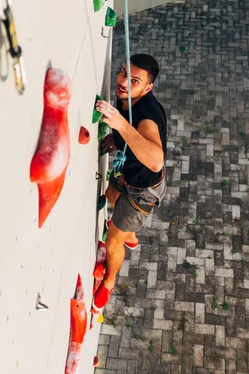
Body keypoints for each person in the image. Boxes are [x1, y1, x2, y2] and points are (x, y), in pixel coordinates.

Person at [92, 54, 167, 311]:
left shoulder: (147, 114)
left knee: (113, 242)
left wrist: (120, 126)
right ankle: (131, 235)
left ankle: (109, 281)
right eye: (123, 73)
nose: (123, 82)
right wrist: (117, 138)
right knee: (112, 196)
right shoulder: (127, 99)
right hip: (126, 174)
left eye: (134, 80)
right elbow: (126, 131)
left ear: (148, 88)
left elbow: (156, 160)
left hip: (142, 192)